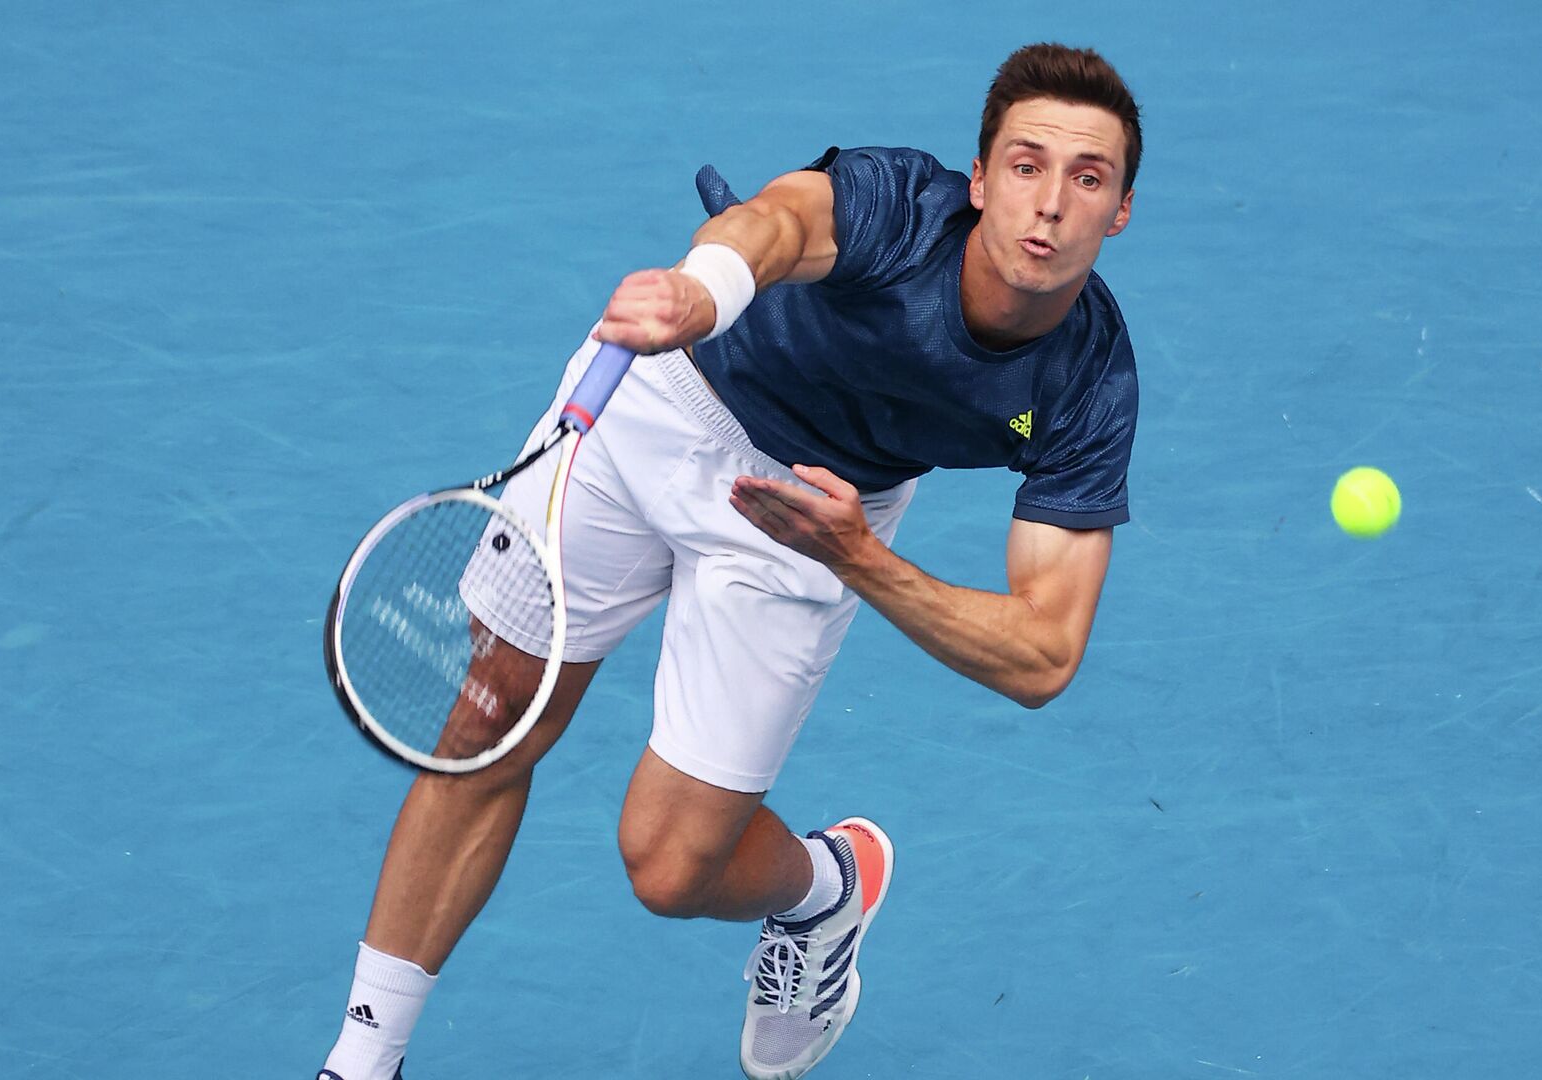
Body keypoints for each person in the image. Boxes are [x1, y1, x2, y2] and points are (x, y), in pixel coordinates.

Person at [318, 41, 1143, 1080]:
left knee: (670, 867)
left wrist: (857, 557)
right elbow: (780, 221)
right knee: (490, 718)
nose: (1051, 203)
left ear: (1118, 212)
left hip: (811, 511)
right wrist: (701, 296)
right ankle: (362, 1060)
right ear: (978, 183)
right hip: (663, 399)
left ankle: (824, 890)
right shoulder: (899, 204)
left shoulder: (1090, 385)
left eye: (1087, 177)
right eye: (1025, 166)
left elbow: (1044, 657)